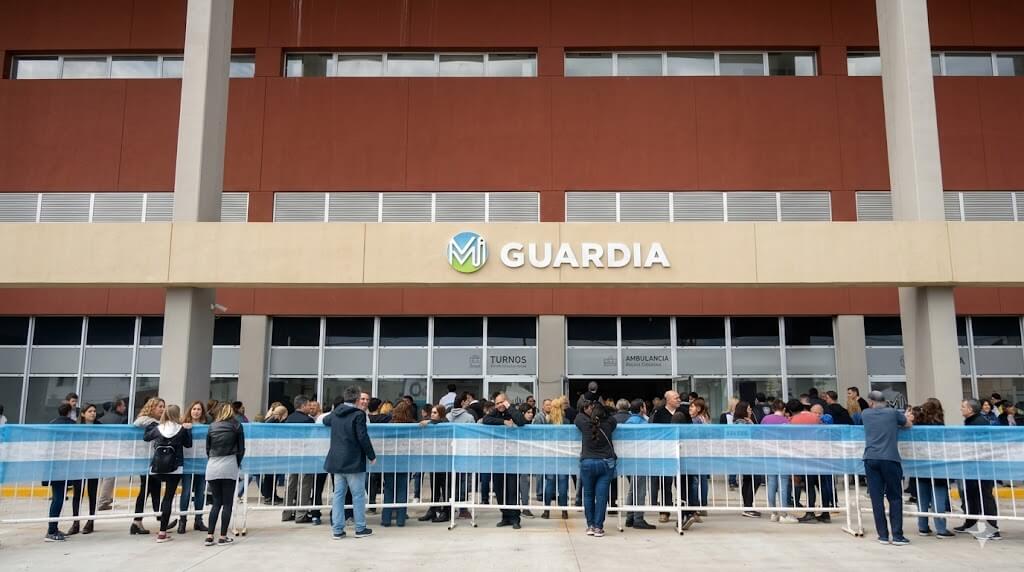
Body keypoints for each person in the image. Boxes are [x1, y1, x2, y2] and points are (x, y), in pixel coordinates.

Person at [324, 386, 376, 539]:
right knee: (358, 495)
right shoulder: (358, 414)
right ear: (358, 399)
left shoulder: (335, 413)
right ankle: (360, 528)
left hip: (336, 461)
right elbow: (362, 437)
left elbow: (326, 421)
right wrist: (371, 455)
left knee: (338, 495)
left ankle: (337, 529)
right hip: (353, 460)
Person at [862, 389, 912, 546]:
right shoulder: (892, 413)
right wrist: (907, 417)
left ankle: (882, 535)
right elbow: (908, 424)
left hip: (870, 458)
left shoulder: (865, 414)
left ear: (871, 402)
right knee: (895, 497)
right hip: (890, 458)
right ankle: (897, 535)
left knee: (876, 498)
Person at [143, 404, 193, 543]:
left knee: (153, 494)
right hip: (175, 467)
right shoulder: (181, 429)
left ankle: (149, 523)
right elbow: (188, 444)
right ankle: (162, 532)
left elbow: (146, 437)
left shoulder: (158, 428)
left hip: (157, 467)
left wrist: (150, 424)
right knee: (168, 499)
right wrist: (188, 430)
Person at [954, 399, 1001, 540]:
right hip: (973, 465)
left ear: (971, 410)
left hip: (982, 466)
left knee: (985, 496)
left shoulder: (979, 422)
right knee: (972, 494)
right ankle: (970, 523)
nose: (961, 409)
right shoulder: (971, 421)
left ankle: (992, 529)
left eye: (963, 407)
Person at [483, 392, 527, 529]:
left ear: (506, 401)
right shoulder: (495, 413)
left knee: (512, 489)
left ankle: (515, 518)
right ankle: (505, 516)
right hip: (497, 457)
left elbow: (521, 421)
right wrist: (503, 422)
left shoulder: (513, 411)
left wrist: (509, 408)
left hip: (512, 457)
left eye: (501, 402)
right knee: (499, 488)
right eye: (496, 403)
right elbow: (486, 420)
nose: (498, 405)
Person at [204, 400, 245, 546]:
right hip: (229, 463)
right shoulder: (236, 426)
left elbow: (208, 449)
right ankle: (222, 536)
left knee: (216, 503)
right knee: (227, 503)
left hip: (213, 464)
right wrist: (237, 462)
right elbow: (241, 449)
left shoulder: (212, 426)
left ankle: (209, 536)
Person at [649, 390, 692, 526]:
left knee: (682, 483)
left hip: (682, 453)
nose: (679, 400)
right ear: (668, 400)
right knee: (665, 483)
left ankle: (685, 511)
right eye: (676, 398)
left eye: (679, 397)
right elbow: (655, 433)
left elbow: (690, 430)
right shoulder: (659, 413)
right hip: (665, 454)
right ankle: (665, 511)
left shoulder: (684, 412)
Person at [575, 398, 617, 537]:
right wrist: (604, 410)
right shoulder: (609, 424)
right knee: (601, 496)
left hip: (587, 462)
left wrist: (588, 409)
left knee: (588, 495)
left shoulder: (583, 423)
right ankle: (599, 527)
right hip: (606, 462)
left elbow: (578, 416)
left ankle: (590, 526)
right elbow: (613, 419)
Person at [912, 399, 953, 538]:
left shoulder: (917, 425)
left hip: (920, 464)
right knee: (938, 497)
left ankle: (922, 526)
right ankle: (941, 528)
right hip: (937, 464)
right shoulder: (939, 426)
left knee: (922, 497)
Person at [131, 397, 165, 535]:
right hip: (146, 460)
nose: (162, 409)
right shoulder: (147, 422)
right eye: (160, 406)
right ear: (152, 408)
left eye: (163, 406)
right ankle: (140, 521)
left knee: (154, 488)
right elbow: (138, 423)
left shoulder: (158, 423)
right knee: (145, 490)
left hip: (154, 460)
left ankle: (156, 517)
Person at [44, 403, 76, 541]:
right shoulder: (71, 424)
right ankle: (51, 531)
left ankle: (54, 528)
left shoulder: (51, 424)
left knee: (58, 497)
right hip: (62, 465)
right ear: (69, 412)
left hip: (53, 465)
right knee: (58, 498)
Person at [68, 404, 101, 535]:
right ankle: (76, 522)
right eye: (90, 411)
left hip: (94, 463)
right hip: (79, 463)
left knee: (92, 493)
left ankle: (90, 521)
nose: (93, 413)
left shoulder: (100, 426)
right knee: (78, 493)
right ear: (83, 414)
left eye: (94, 411)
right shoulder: (76, 428)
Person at [381, 401, 416, 527]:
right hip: (405, 459)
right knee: (402, 489)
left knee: (389, 489)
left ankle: (386, 519)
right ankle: (401, 520)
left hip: (390, 459)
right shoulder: (412, 425)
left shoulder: (390, 425)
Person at [177, 400, 209, 534]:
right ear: (190, 410)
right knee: (186, 492)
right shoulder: (182, 426)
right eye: (194, 409)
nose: (196, 411)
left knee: (200, 492)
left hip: (202, 461)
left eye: (199, 409)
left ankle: (198, 519)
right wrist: (185, 429)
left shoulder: (206, 426)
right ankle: (182, 520)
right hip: (187, 462)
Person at [623, 398, 655, 530]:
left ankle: (629, 517)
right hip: (641, 459)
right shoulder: (643, 423)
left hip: (631, 458)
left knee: (632, 488)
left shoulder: (628, 422)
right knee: (640, 490)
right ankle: (638, 518)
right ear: (642, 408)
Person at [283, 395, 315, 524]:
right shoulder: (308, 421)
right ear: (303, 406)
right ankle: (301, 514)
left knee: (291, 483)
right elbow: (311, 439)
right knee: (305, 483)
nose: (310, 407)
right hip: (304, 454)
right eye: (308, 405)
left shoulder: (288, 419)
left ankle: (286, 512)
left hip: (291, 454)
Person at [418, 405, 452, 523]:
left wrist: (429, 421)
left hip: (445, 461)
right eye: (431, 412)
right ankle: (433, 510)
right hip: (434, 460)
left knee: (445, 487)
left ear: (441, 414)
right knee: (435, 486)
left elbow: (442, 422)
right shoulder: (432, 425)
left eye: (435, 413)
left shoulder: (444, 423)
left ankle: (446, 512)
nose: (432, 415)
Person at [540, 396, 570, 521]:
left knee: (549, 484)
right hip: (563, 456)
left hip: (550, 455)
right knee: (563, 484)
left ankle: (547, 510)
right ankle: (564, 511)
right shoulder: (567, 422)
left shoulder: (547, 422)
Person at [96, 396, 127, 511]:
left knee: (104, 476)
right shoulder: (121, 420)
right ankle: (103, 501)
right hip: (113, 449)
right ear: (118, 407)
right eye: (123, 406)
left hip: (101, 448)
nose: (125, 408)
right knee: (109, 476)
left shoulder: (102, 419)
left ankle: (105, 499)